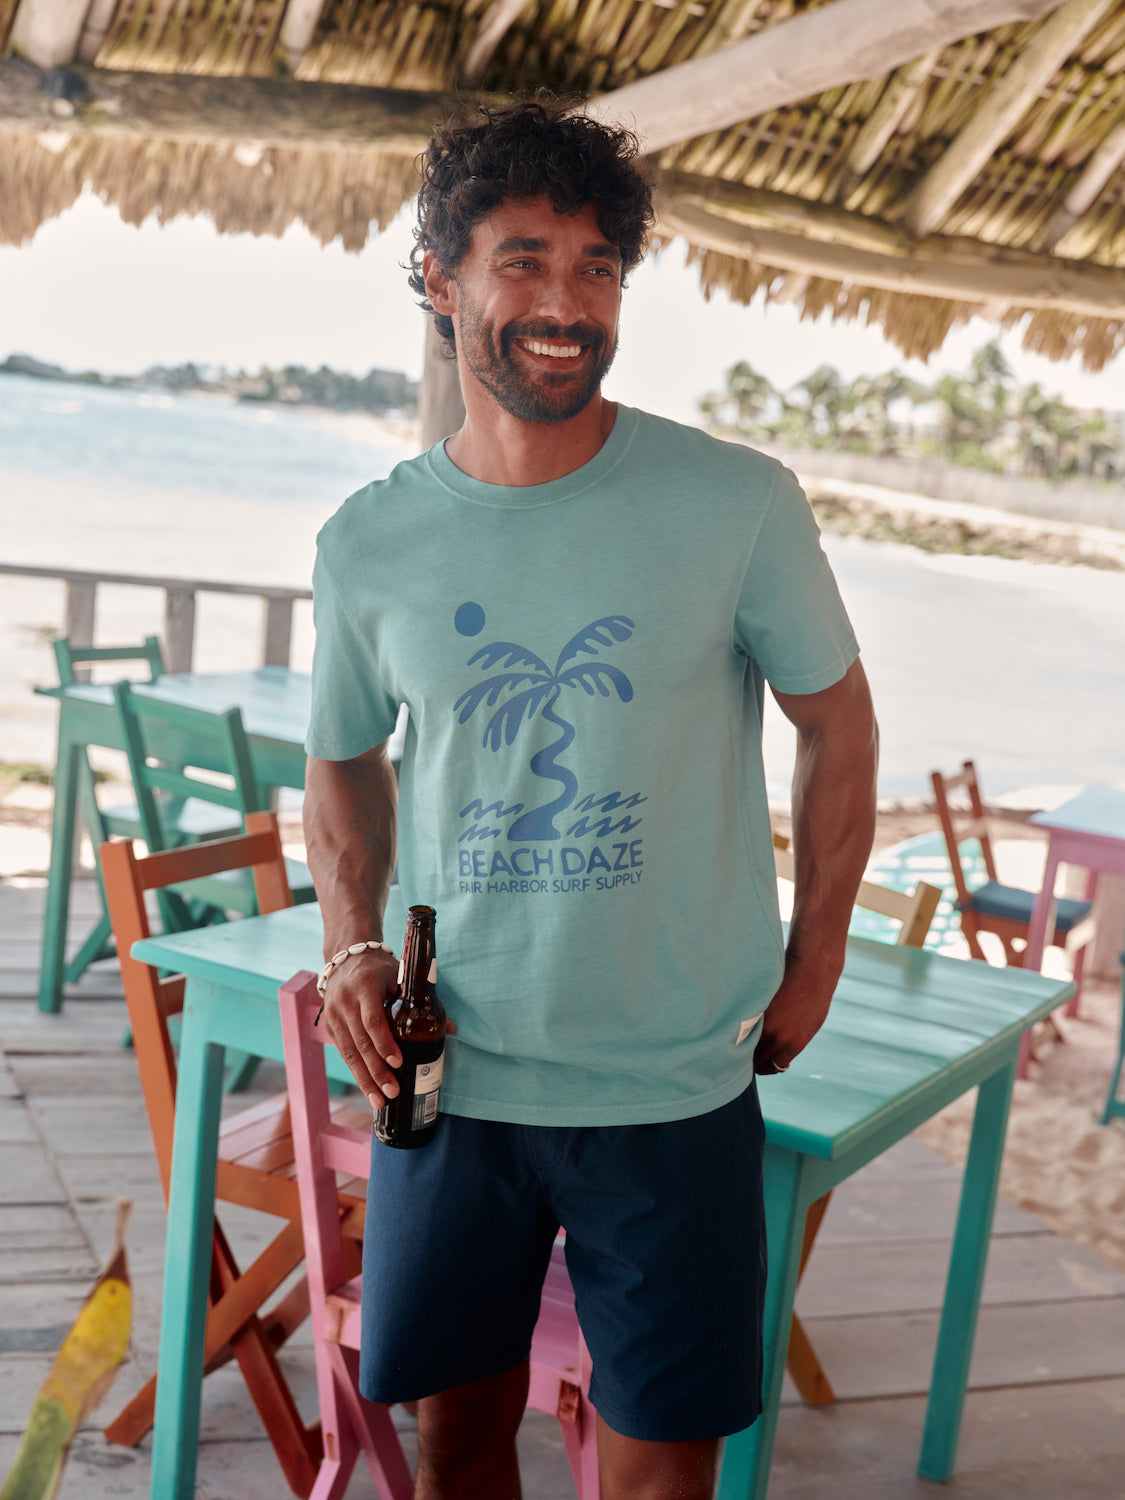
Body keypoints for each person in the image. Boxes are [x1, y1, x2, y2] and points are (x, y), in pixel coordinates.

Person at [303, 100, 878, 1500]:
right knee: (453, 1446)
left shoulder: (735, 503)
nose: (565, 303)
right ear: (442, 281)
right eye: (522, 260)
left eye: (597, 266)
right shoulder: (370, 538)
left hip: (674, 1082)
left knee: (659, 1473)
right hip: (459, 1077)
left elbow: (837, 722)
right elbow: (340, 756)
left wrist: (817, 953)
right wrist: (351, 942)